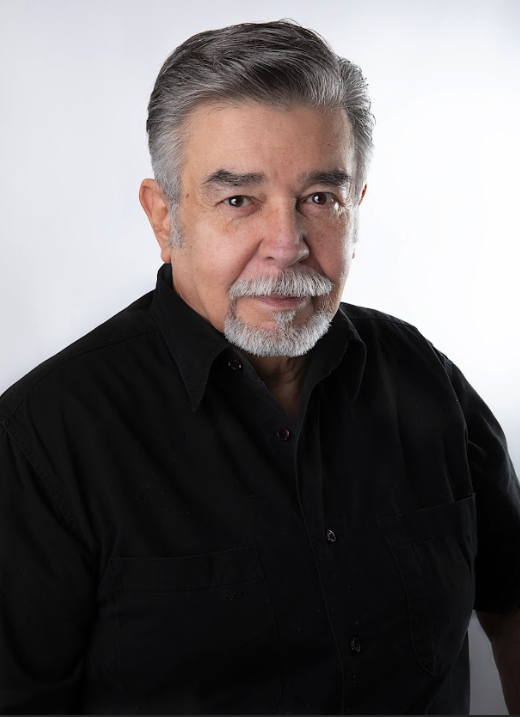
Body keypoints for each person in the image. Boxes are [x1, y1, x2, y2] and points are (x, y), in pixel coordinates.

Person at [0, 19, 519, 716]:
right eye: (238, 200)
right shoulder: (41, 440)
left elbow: (512, 601)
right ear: (164, 218)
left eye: (319, 199)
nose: (287, 243)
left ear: (356, 210)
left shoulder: (427, 380)